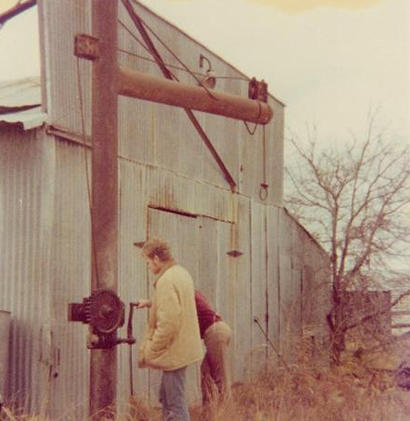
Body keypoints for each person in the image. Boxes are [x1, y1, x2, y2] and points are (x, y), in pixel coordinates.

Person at [137, 238, 203, 421]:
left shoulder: (166, 280)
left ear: (156, 259)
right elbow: (178, 305)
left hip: (174, 351)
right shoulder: (181, 273)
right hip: (183, 348)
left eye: (148, 262)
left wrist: (153, 348)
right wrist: (151, 303)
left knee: (174, 404)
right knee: (167, 397)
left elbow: (168, 323)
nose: (149, 266)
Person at [194, 290, 232, 406]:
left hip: (215, 332)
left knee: (220, 377)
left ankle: (225, 413)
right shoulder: (193, 293)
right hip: (218, 331)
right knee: (205, 371)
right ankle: (209, 409)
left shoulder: (187, 293)